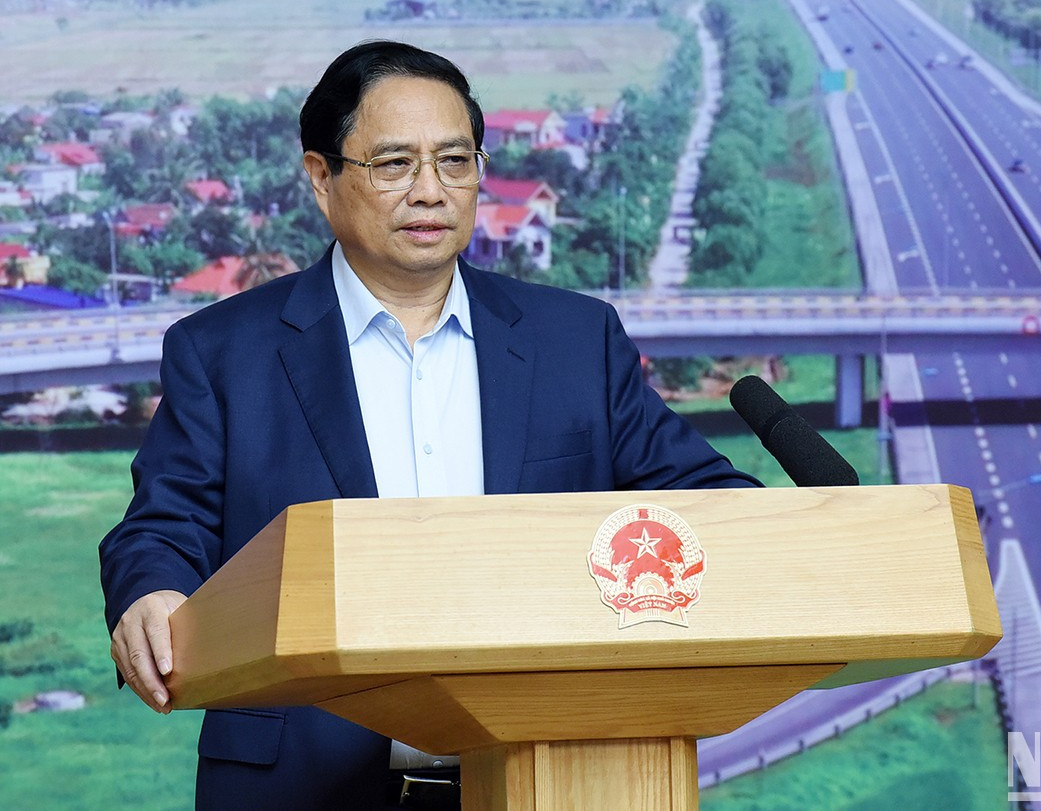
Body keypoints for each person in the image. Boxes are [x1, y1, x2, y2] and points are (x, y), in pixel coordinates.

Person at [99, 40, 758, 810]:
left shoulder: (576, 341)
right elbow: (161, 526)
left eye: (455, 160)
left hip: (551, 775)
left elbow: (712, 509)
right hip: (304, 783)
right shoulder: (222, 352)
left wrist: (790, 537)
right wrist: (149, 590)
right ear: (322, 177)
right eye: (393, 164)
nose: (431, 191)